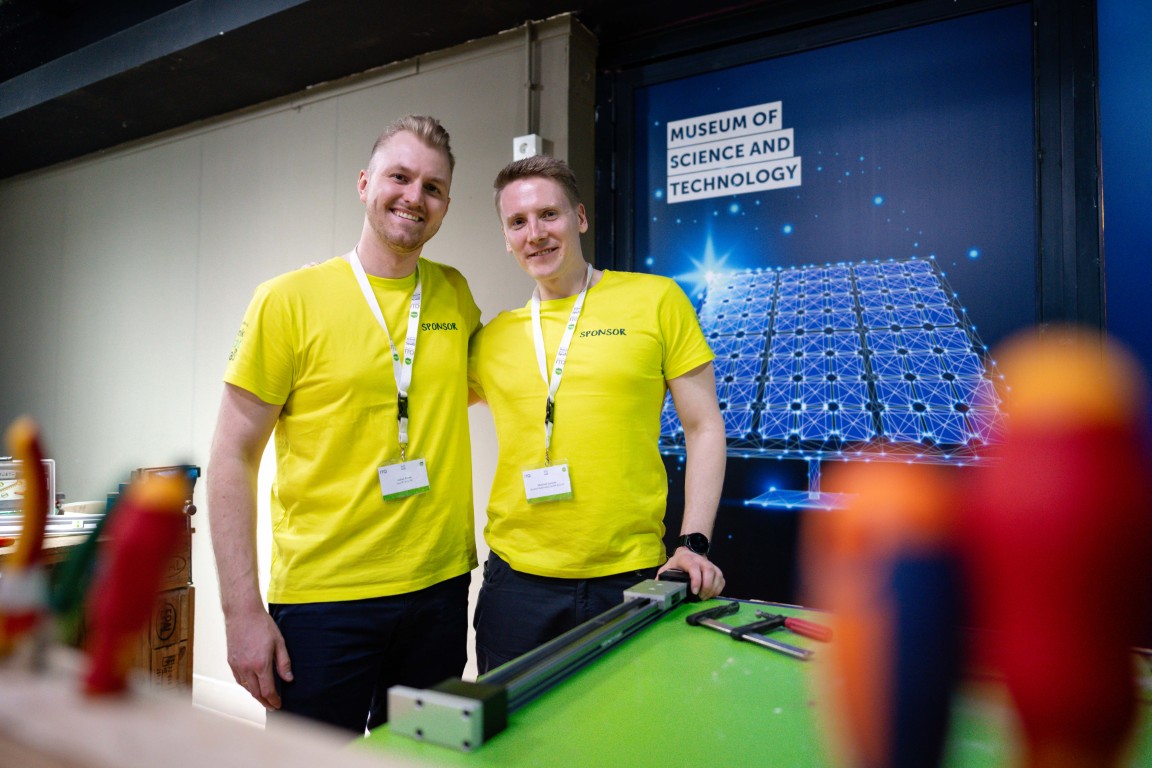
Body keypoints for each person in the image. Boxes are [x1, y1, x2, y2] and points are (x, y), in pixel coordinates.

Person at [208, 115, 480, 734]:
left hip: (439, 588)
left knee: (423, 758)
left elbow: (485, 384)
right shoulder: (288, 299)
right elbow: (232, 455)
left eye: (433, 187)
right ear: (364, 183)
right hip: (324, 601)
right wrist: (240, 611)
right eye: (399, 177)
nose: (415, 197)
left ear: (445, 205)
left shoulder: (453, 293)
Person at [468, 155, 727, 673]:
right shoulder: (492, 338)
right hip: (516, 585)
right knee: (517, 728)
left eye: (549, 214)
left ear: (580, 217)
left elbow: (704, 427)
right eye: (518, 222)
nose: (535, 233)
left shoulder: (656, 300)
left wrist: (693, 544)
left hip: (629, 576)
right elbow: (413, 404)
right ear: (506, 238)